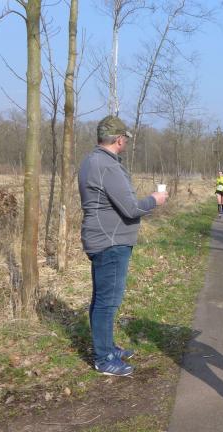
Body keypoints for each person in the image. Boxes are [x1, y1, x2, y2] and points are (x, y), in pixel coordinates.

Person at [78, 115, 168, 376]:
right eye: (125, 139)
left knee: (102, 299)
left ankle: (107, 347)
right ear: (119, 139)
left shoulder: (91, 161)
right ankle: (103, 358)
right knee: (107, 302)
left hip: (102, 238)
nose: (126, 143)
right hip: (111, 241)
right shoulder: (107, 166)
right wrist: (155, 200)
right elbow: (131, 208)